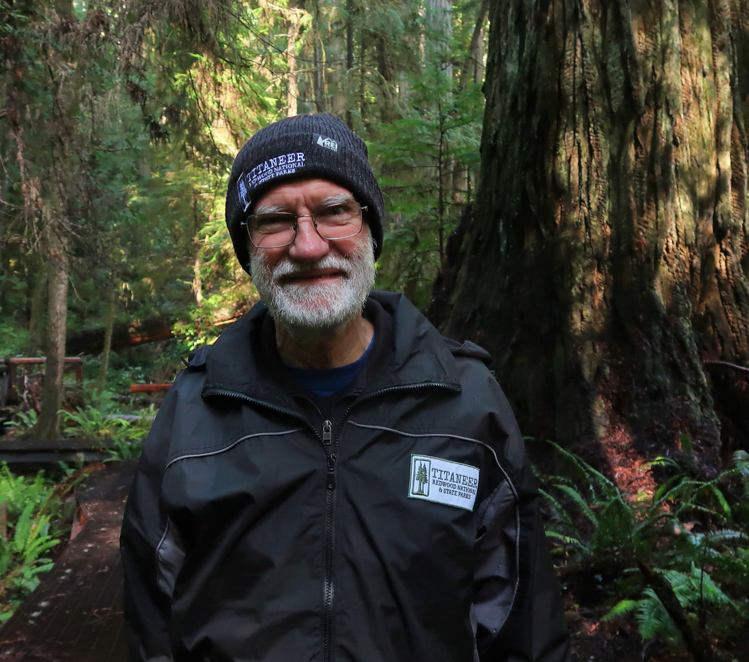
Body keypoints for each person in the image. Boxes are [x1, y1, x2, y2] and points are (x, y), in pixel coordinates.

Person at [120, 113, 570, 662]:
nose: (308, 247)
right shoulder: (196, 411)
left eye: (334, 212)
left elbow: (521, 620)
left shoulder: (463, 401)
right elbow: (152, 619)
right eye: (275, 221)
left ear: (370, 229)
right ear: (248, 246)